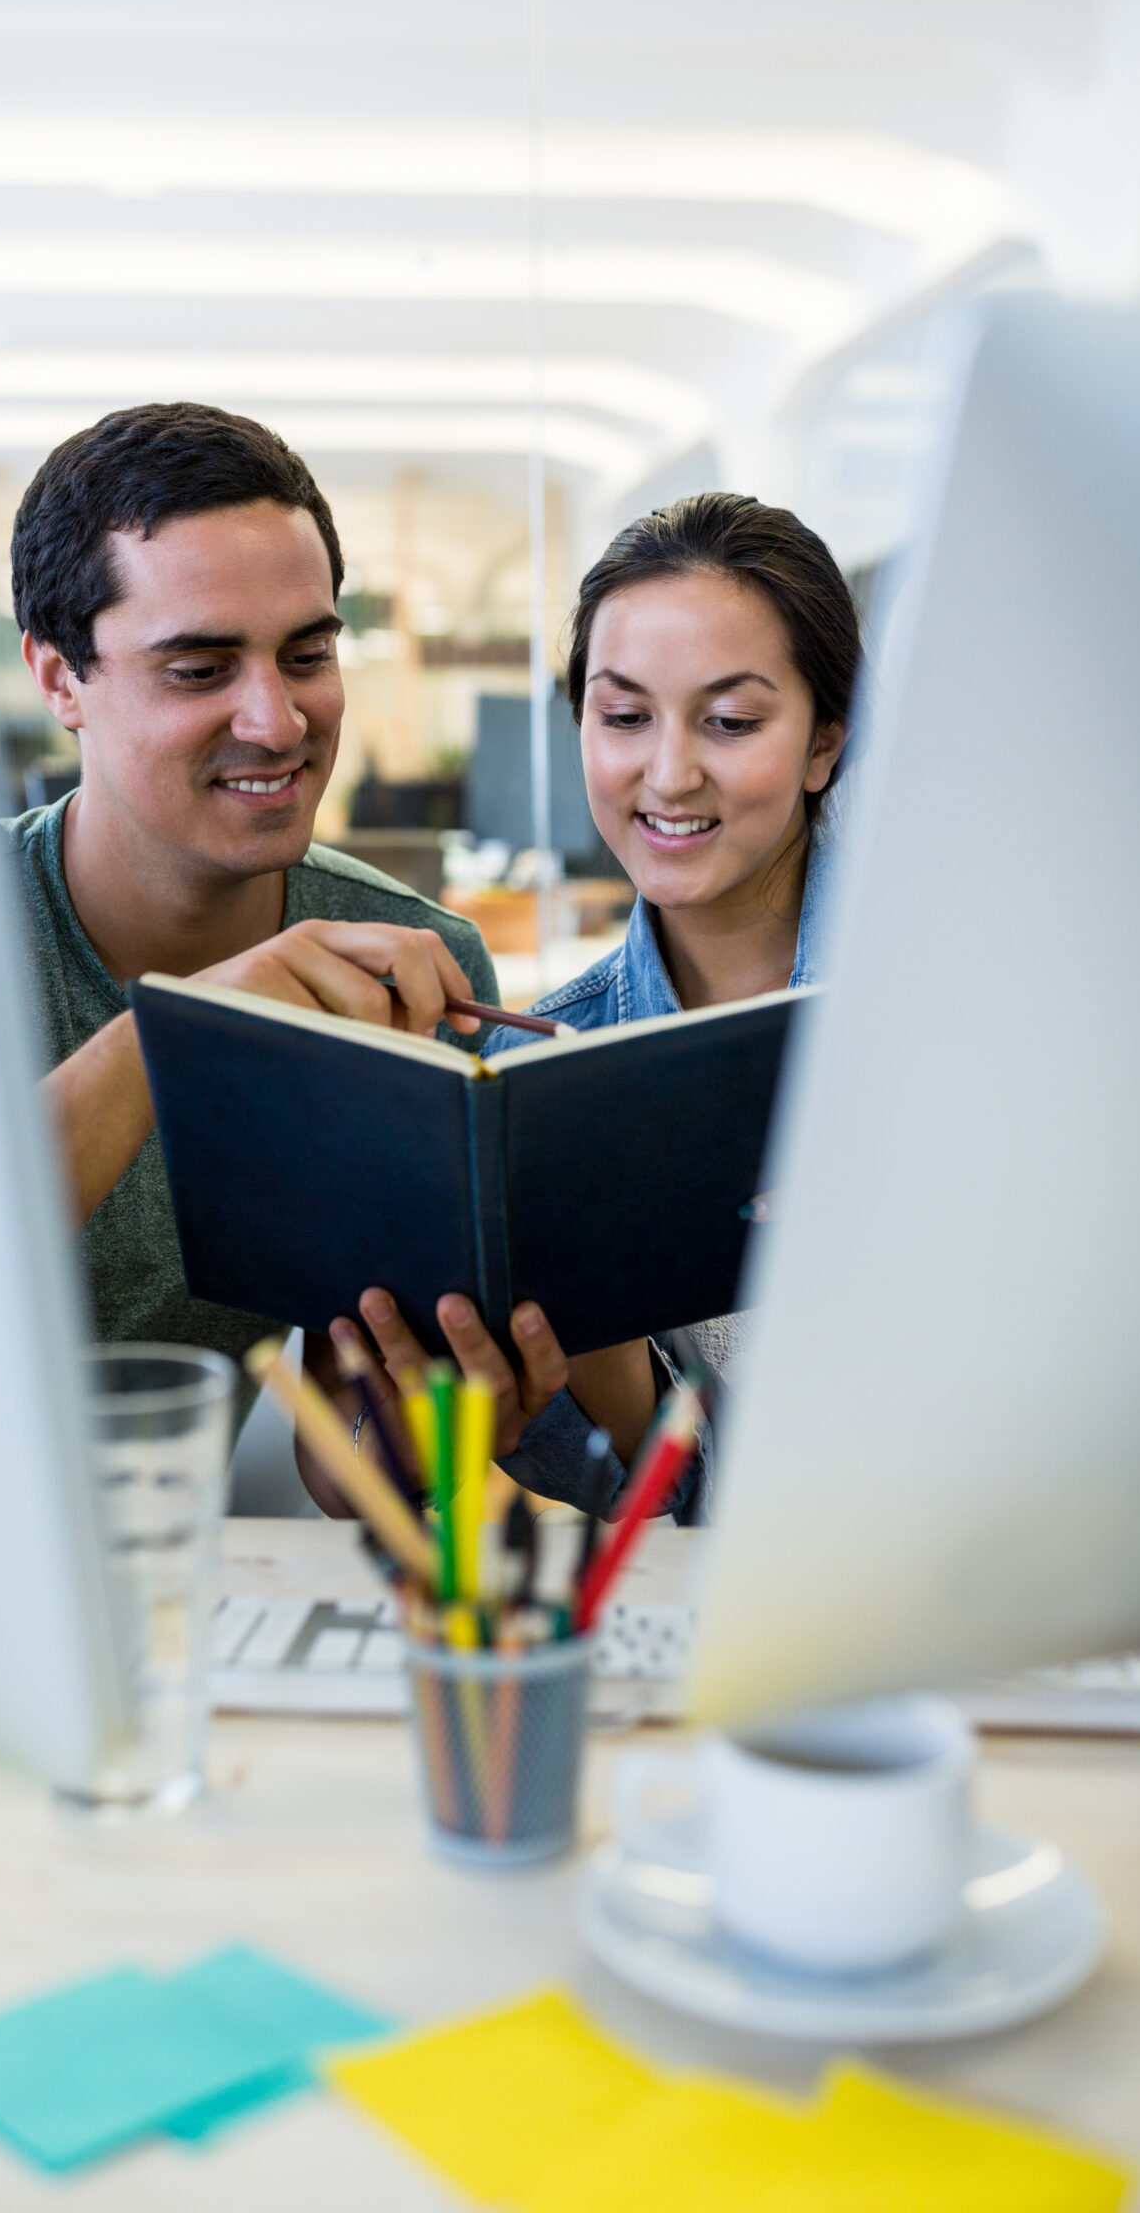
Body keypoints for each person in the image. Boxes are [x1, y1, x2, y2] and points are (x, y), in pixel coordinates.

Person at [0, 400, 500, 1504]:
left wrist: (437, 1432)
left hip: (177, 1578)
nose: (277, 721)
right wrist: (184, 1033)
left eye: (308, 653)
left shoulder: (412, 963)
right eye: (199, 667)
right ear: (58, 679)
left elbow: (351, 1464)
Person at [339, 492, 863, 1520]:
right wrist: (600, 1363)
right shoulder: (555, 1068)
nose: (668, 773)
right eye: (623, 716)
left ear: (822, 747)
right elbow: (685, 1503)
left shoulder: (954, 997)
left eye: (731, 720)